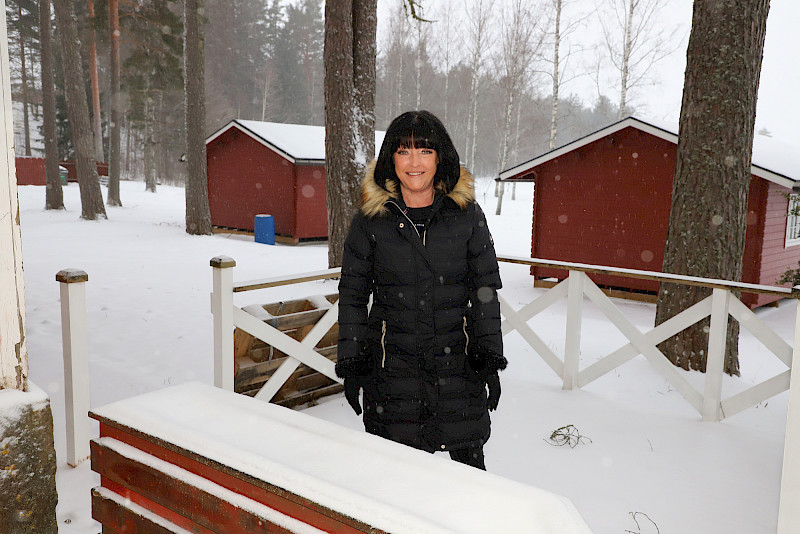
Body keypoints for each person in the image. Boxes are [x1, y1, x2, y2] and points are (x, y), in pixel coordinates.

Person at [335, 110, 506, 470]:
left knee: (470, 491)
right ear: (390, 159)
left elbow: (485, 290)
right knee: (396, 488)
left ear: (440, 157)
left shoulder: (467, 215)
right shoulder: (371, 221)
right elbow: (352, 294)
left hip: (457, 374)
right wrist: (353, 362)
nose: (415, 162)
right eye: (404, 151)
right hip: (393, 378)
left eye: (425, 151)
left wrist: (489, 356)